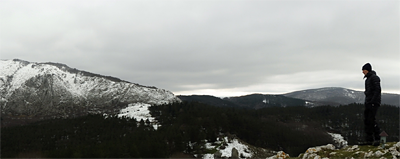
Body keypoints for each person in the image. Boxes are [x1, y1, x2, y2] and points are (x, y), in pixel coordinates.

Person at [362, 63, 381, 146]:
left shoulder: (374, 78)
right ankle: (369, 140)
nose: (363, 72)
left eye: (364, 70)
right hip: (368, 102)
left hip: (373, 102)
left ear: (367, 70)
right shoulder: (367, 79)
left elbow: (377, 90)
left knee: (372, 120)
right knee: (367, 120)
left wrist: (373, 101)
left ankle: (377, 139)